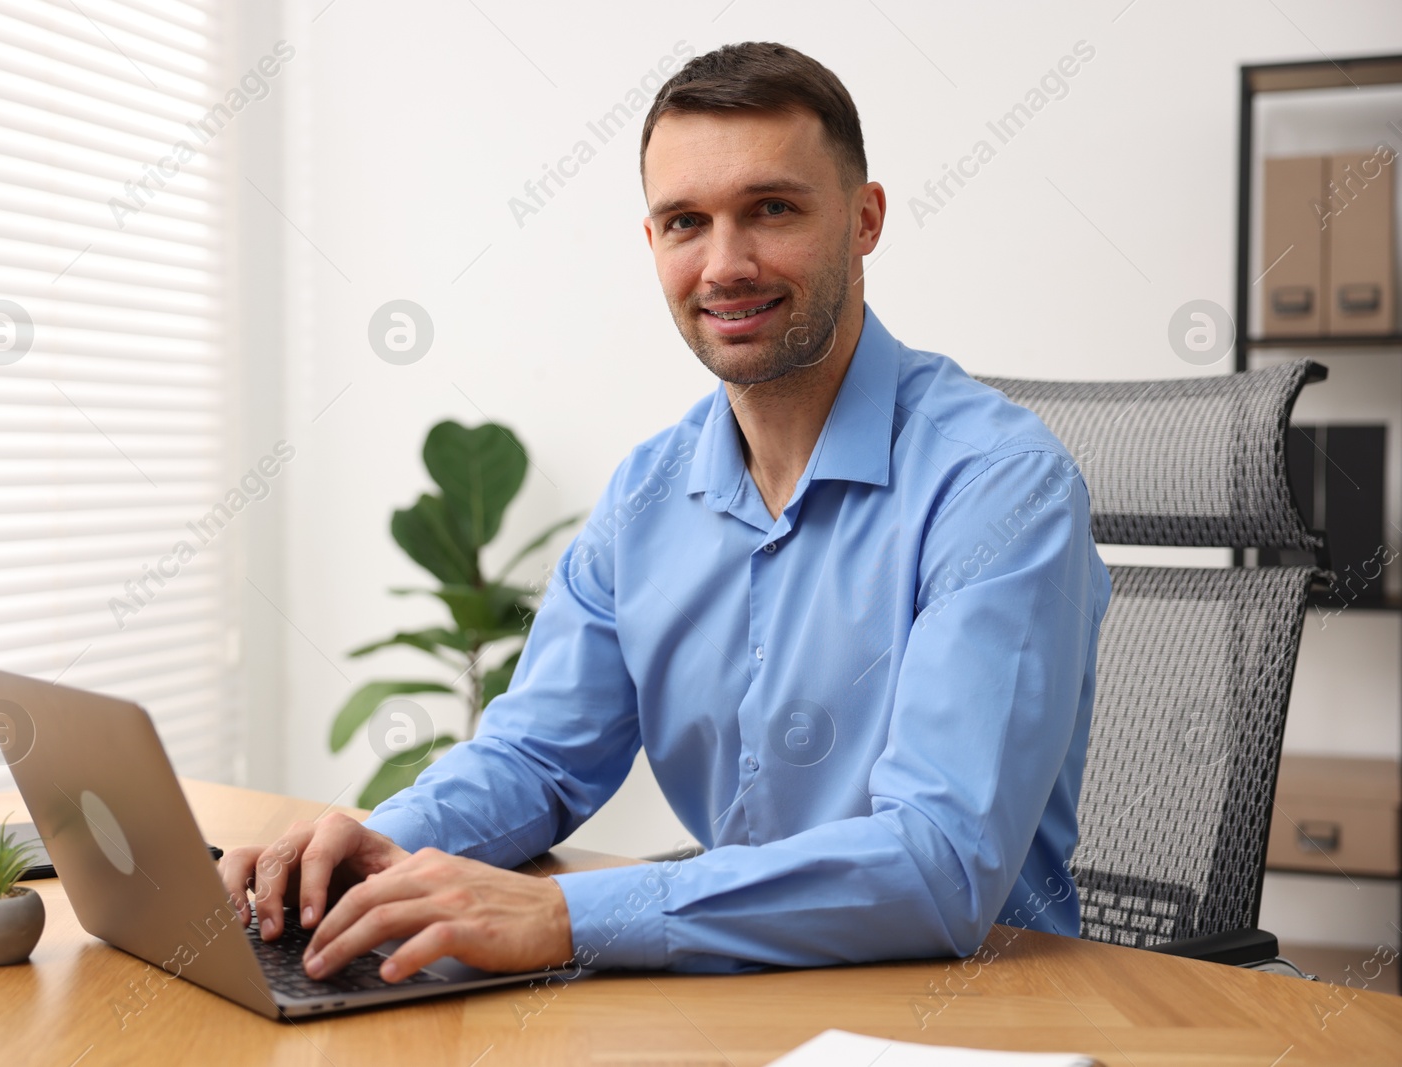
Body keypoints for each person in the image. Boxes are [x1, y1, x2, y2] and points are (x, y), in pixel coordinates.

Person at [219, 41, 1111, 985]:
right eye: (687, 221)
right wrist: (377, 848)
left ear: (865, 219)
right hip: (735, 998)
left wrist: (563, 914)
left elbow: (939, 866)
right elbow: (537, 756)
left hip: (973, 1010)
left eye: (772, 208)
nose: (725, 264)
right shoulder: (649, 491)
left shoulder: (1000, 485)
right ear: (654, 244)